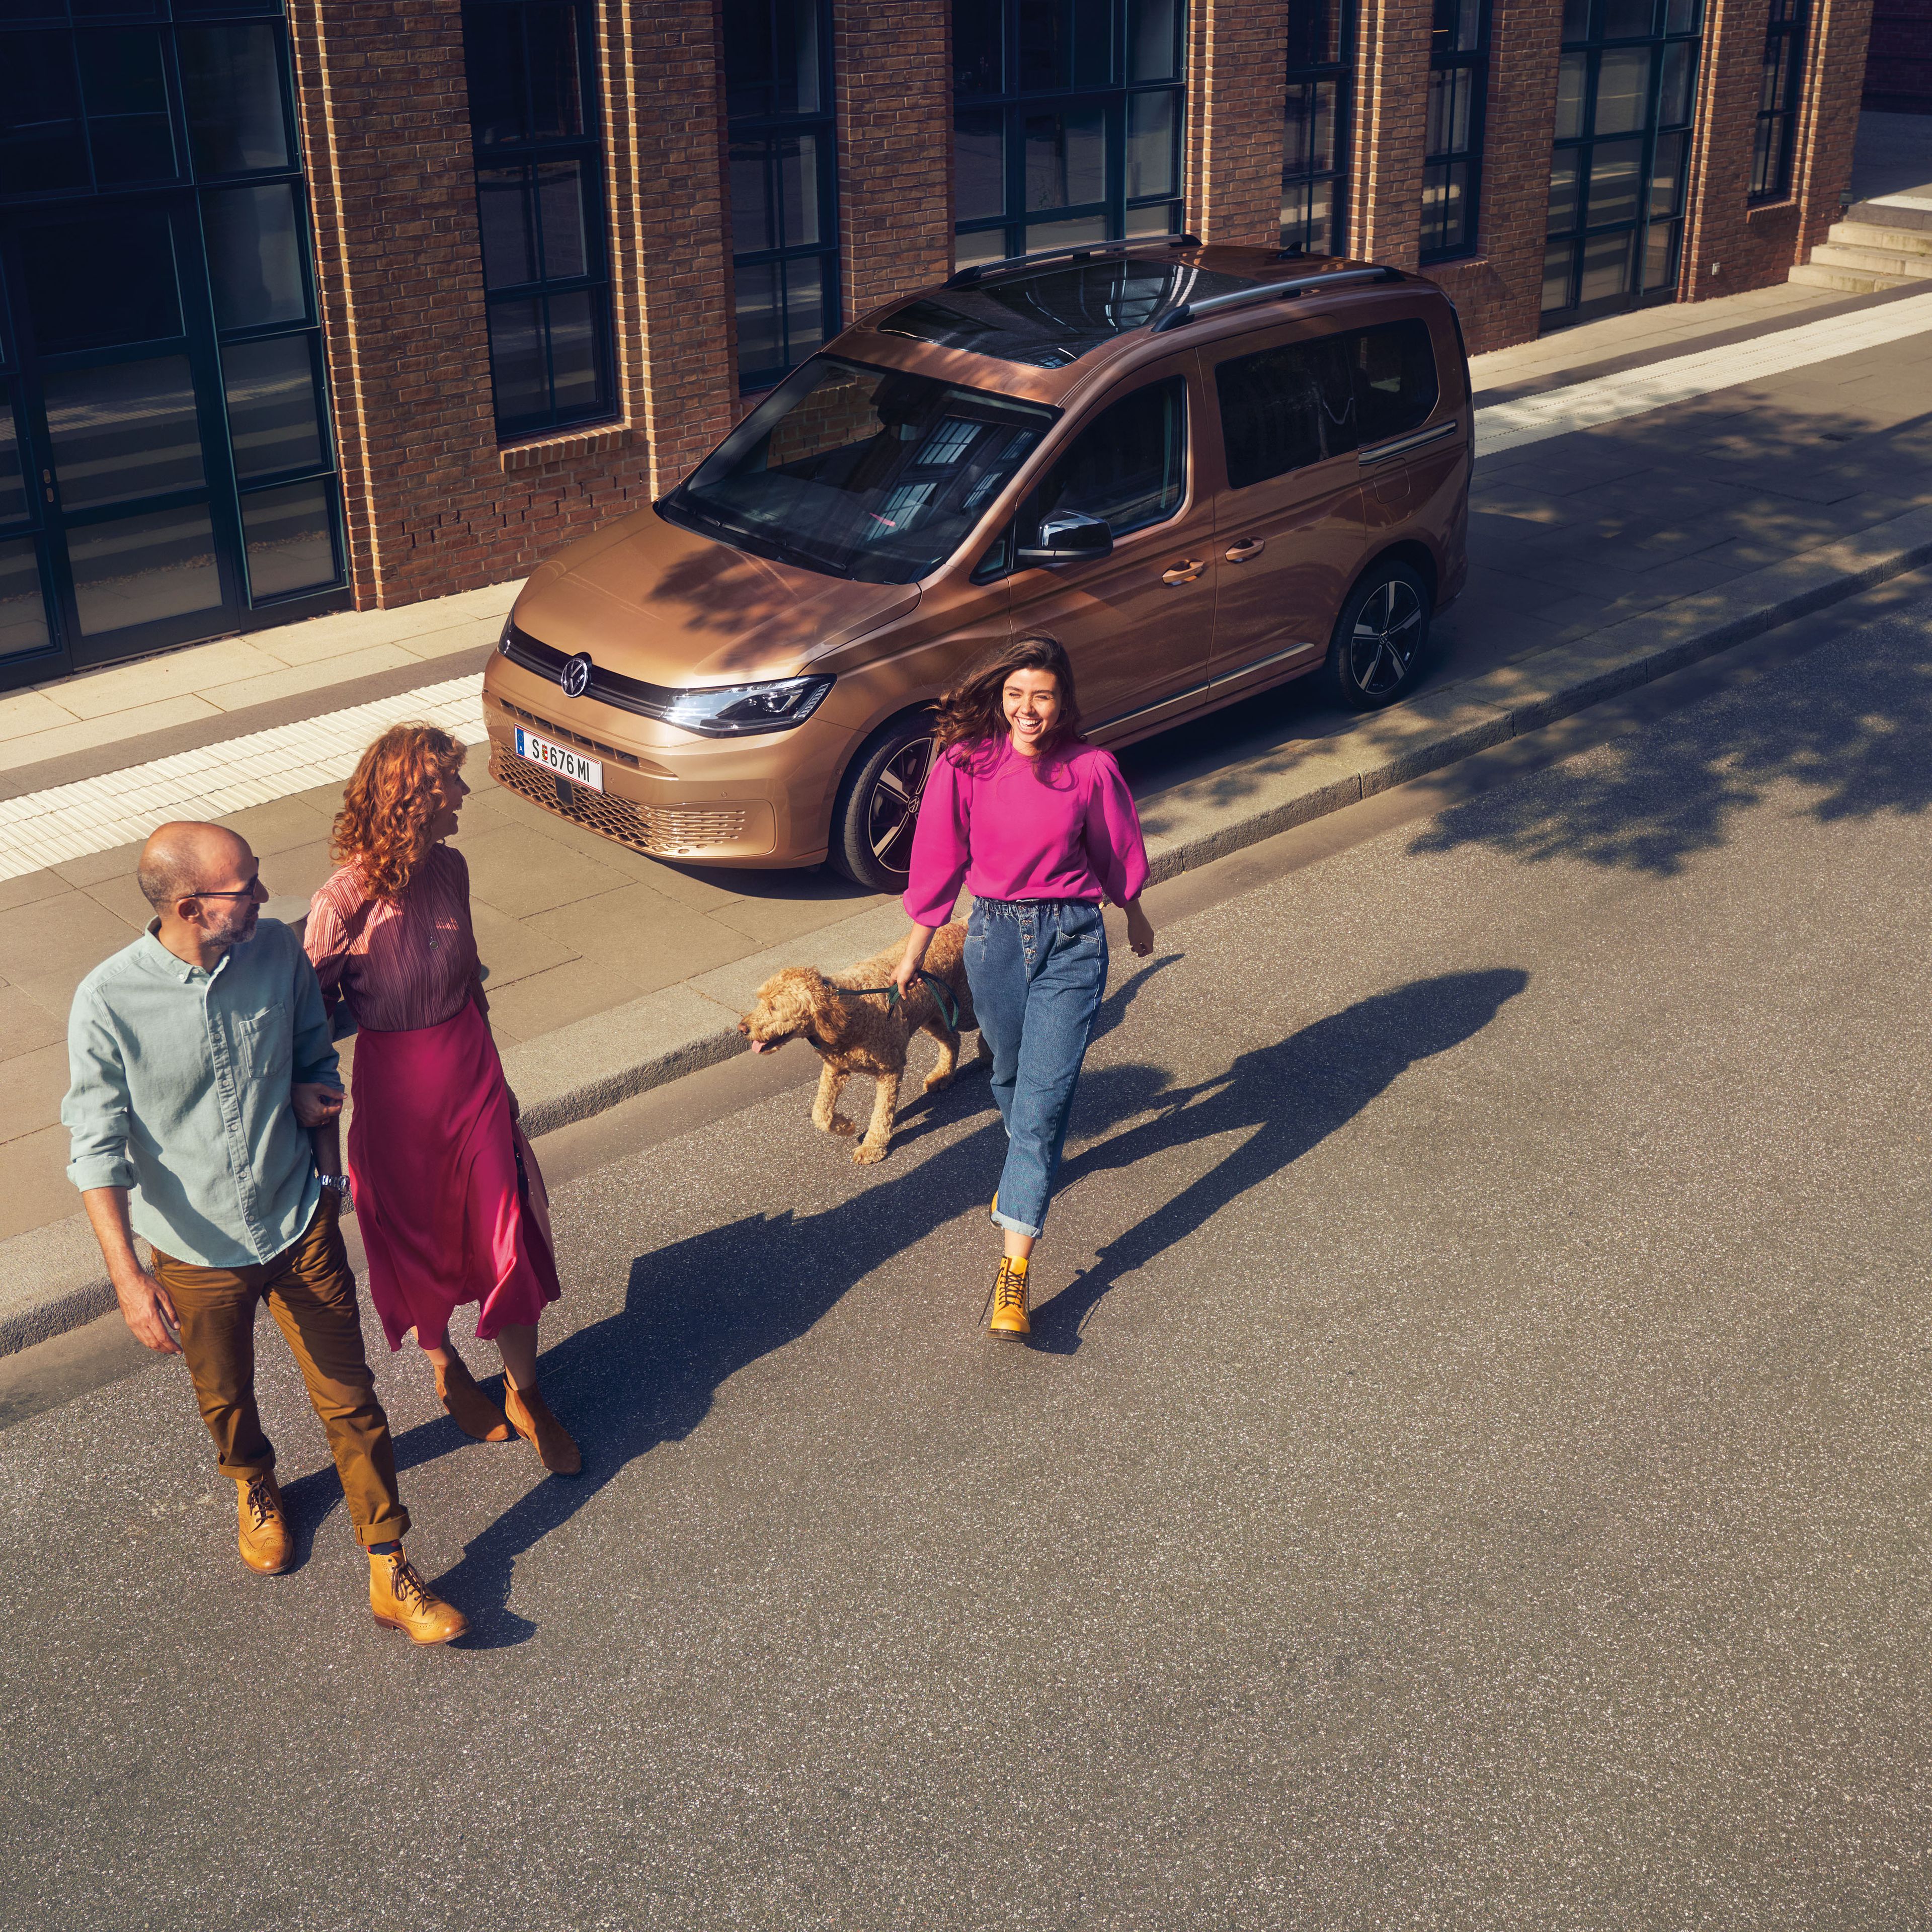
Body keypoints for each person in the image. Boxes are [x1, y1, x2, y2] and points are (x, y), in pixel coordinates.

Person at [64, 821, 466, 1644]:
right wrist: (129, 1281)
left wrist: (324, 1161)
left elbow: (316, 1059)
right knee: (225, 1393)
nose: (260, 892)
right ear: (189, 907)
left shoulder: (279, 952)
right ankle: (253, 1480)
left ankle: (389, 1563)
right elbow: (96, 1151)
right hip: (195, 1247)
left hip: (295, 1217)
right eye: (242, 885)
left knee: (352, 1399)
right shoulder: (107, 1001)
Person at [304, 723, 580, 1475]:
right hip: (396, 1097)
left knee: (506, 1234)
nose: (463, 793)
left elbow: (472, 984)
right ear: (413, 798)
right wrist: (309, 1100)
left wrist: (502, 1076)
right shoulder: (341, 902)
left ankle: (527, 1393)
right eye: (450, 783)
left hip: (471, 1077)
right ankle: (443, 1362)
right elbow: (303, 1020)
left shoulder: (452, 868)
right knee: (419, 1241)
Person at [892, 634, 1154, 1338]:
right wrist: (914, 951)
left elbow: (1116, 850)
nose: (1027, 709)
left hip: (1071, 938)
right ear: (1000, 698)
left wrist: (1135, 914)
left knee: (1040, 1108)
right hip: (994, 939)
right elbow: (938, 857)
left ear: (1063, 700)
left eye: (1041, 695)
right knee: (1007, 1076)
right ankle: (1028, 1156)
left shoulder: (1091, 769)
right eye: (1015, 695)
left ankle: (1015, 1275)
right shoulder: (965, 764)